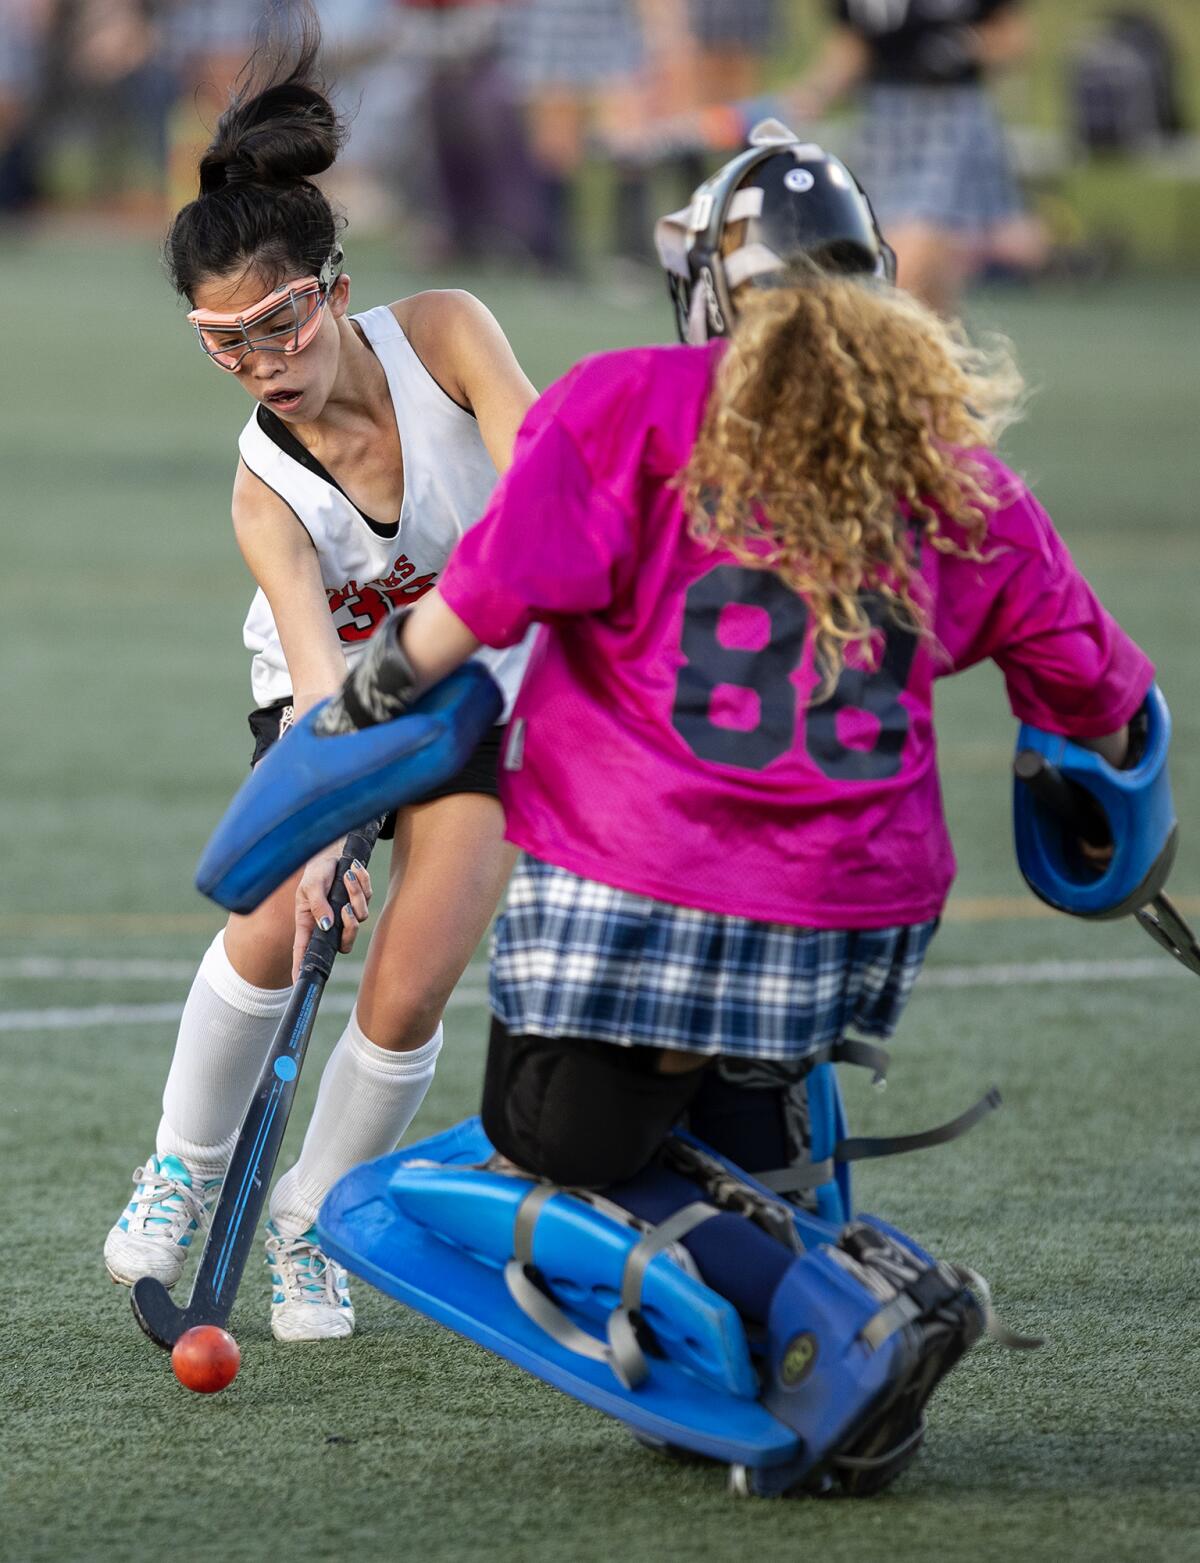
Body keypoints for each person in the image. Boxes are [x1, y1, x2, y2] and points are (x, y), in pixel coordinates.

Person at [312, 124, 1152, 1206]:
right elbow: (1104, 707)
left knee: (547, 1147)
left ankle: (745, 1242)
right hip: (854, 920)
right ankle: (762, 1142)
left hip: (637, 891)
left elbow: (479, 599)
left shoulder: (626, 403)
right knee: (744, 1096)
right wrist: (1115, 827)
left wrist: (367, 694)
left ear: (712, 291)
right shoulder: (965, 482)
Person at [104, 5, 538, 1341]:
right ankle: (183, 1161)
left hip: (483, 694)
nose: (258, 361)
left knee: (411, 979)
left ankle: (315, 1210)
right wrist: (330, 830)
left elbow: (546, 501)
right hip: (337, 702)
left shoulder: (450, 337)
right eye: (221, 340)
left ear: (336, 287)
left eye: (278, 321)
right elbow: (313, 683)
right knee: (285, 914)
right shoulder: (263, 490)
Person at [790, 1, 1044, 316]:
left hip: (951, 116)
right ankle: (944, 355)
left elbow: (1014, 39)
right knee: (930, 273)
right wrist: (812, 95)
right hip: (885, 120)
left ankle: (898, 355)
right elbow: (855, 45)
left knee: (906, 260)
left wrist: (968, 45)